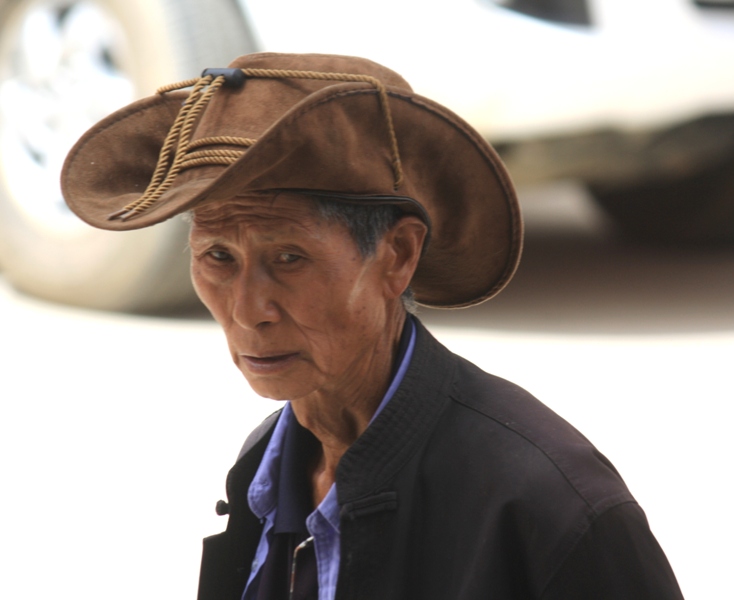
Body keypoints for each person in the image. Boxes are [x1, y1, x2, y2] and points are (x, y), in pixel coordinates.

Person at [61, 53, 684, 600]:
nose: (248, 309)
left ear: (397, 257)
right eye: (217, 258)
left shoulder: (548, 502)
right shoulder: (263, 467)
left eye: (289, 259)